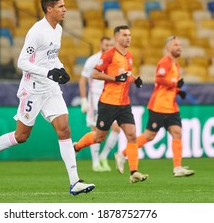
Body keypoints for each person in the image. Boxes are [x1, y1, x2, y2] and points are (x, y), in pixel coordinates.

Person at [0, 0, 95, 196]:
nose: (65, 9)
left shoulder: (58, 30)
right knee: (21, 136)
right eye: (61, 6)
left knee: (64, 130)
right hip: (33, 90)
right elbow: (22, 62)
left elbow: (51, 56)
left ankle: (75, 182)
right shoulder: (37, 32)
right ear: (49, 9)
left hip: (51, 88)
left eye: (64, 6)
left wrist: (60, 69)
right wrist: (48, 72)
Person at [74, 25, 148, 183]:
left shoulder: (129, 55)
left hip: (124, 104)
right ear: (116, 38)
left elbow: (127, 73)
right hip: (108, 103)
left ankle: (134, 171)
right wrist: (114, 78)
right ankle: (76, 147)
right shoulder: (109, 54)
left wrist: (135, 80)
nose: (128, 37)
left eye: (129, 35)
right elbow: (95, 74)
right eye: (124, 35)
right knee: (99, 137)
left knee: (132, 136)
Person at [115, 36, 195, 177]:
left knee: (177, 133)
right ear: (168, 47)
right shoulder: (165, 62)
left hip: (171, 107)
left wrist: (178, 91)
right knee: (149, 136)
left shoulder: (175, 64)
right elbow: (158, 79)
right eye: (176, 44)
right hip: (159, 106)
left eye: (180, 45)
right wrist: (174, 84)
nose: (179, 47)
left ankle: (177, 168)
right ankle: (122, 154)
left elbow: (167, 84)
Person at [79, 36, 121, 172]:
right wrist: (84, 100)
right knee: (95, 130)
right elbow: (82, 80)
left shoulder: (115, 59)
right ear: (100, 45)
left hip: (110, 97)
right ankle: (95, 162)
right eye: (106, 44)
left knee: (116, 128)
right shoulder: (92, 60)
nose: (108, 47)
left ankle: (104, 156)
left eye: (110, 45)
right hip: (95, 98)